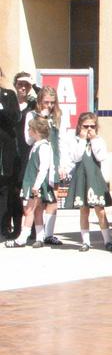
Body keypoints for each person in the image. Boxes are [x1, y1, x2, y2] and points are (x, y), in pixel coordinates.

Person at [65, 112, 112, 252]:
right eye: (85, 126)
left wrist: (93, 140)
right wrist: (82, 139)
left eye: (92, 126)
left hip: (95, 178)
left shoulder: (99, 140)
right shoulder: (75, 140)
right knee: (84, 210)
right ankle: (85, 241)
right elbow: (76, 157)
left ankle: (107, 240)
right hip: (82, 177)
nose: (89, 129)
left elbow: (100, 156)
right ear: (80, 126)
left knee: (100, 210)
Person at [24, 86, 66, 246]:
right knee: (39, 200)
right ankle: (39, 236)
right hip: (39, 161)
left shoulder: (57, 116)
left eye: (52, 103)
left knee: (53, 198)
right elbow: (27, 140)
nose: (49, 106)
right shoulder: (32, 115)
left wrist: (63, 164)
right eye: (46, 102)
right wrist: (41, 120)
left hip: (54, 160)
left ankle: (49, 234)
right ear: (39, 101)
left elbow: (62, 140)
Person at [5, 116, 54, 248]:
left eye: (30, 129)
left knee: (29, 210)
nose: (28, 131)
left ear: (36, 131)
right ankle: (40, 237)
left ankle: (22, 238)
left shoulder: (43, 147)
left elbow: (44, 167)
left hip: (35, 184)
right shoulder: (37, 145)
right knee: (37, 211)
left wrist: (36, 185)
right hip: (32, 182)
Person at [8, 72, 38, 238]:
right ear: (15, 85)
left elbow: (47, 98)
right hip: (11, 153)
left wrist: (34, 85)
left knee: (27, 191)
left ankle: (32, 228)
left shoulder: (33, 105)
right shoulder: (9, 102)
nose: (23, 87)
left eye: (26, 85)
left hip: (28, 153)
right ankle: (16, 228)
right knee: (13, 192)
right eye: (20, 84)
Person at [0, 67, 20, 238]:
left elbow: (15, 117)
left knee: (5, 189)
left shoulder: (8, 96)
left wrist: (1, 110)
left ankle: (3, 226)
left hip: (5, 151)